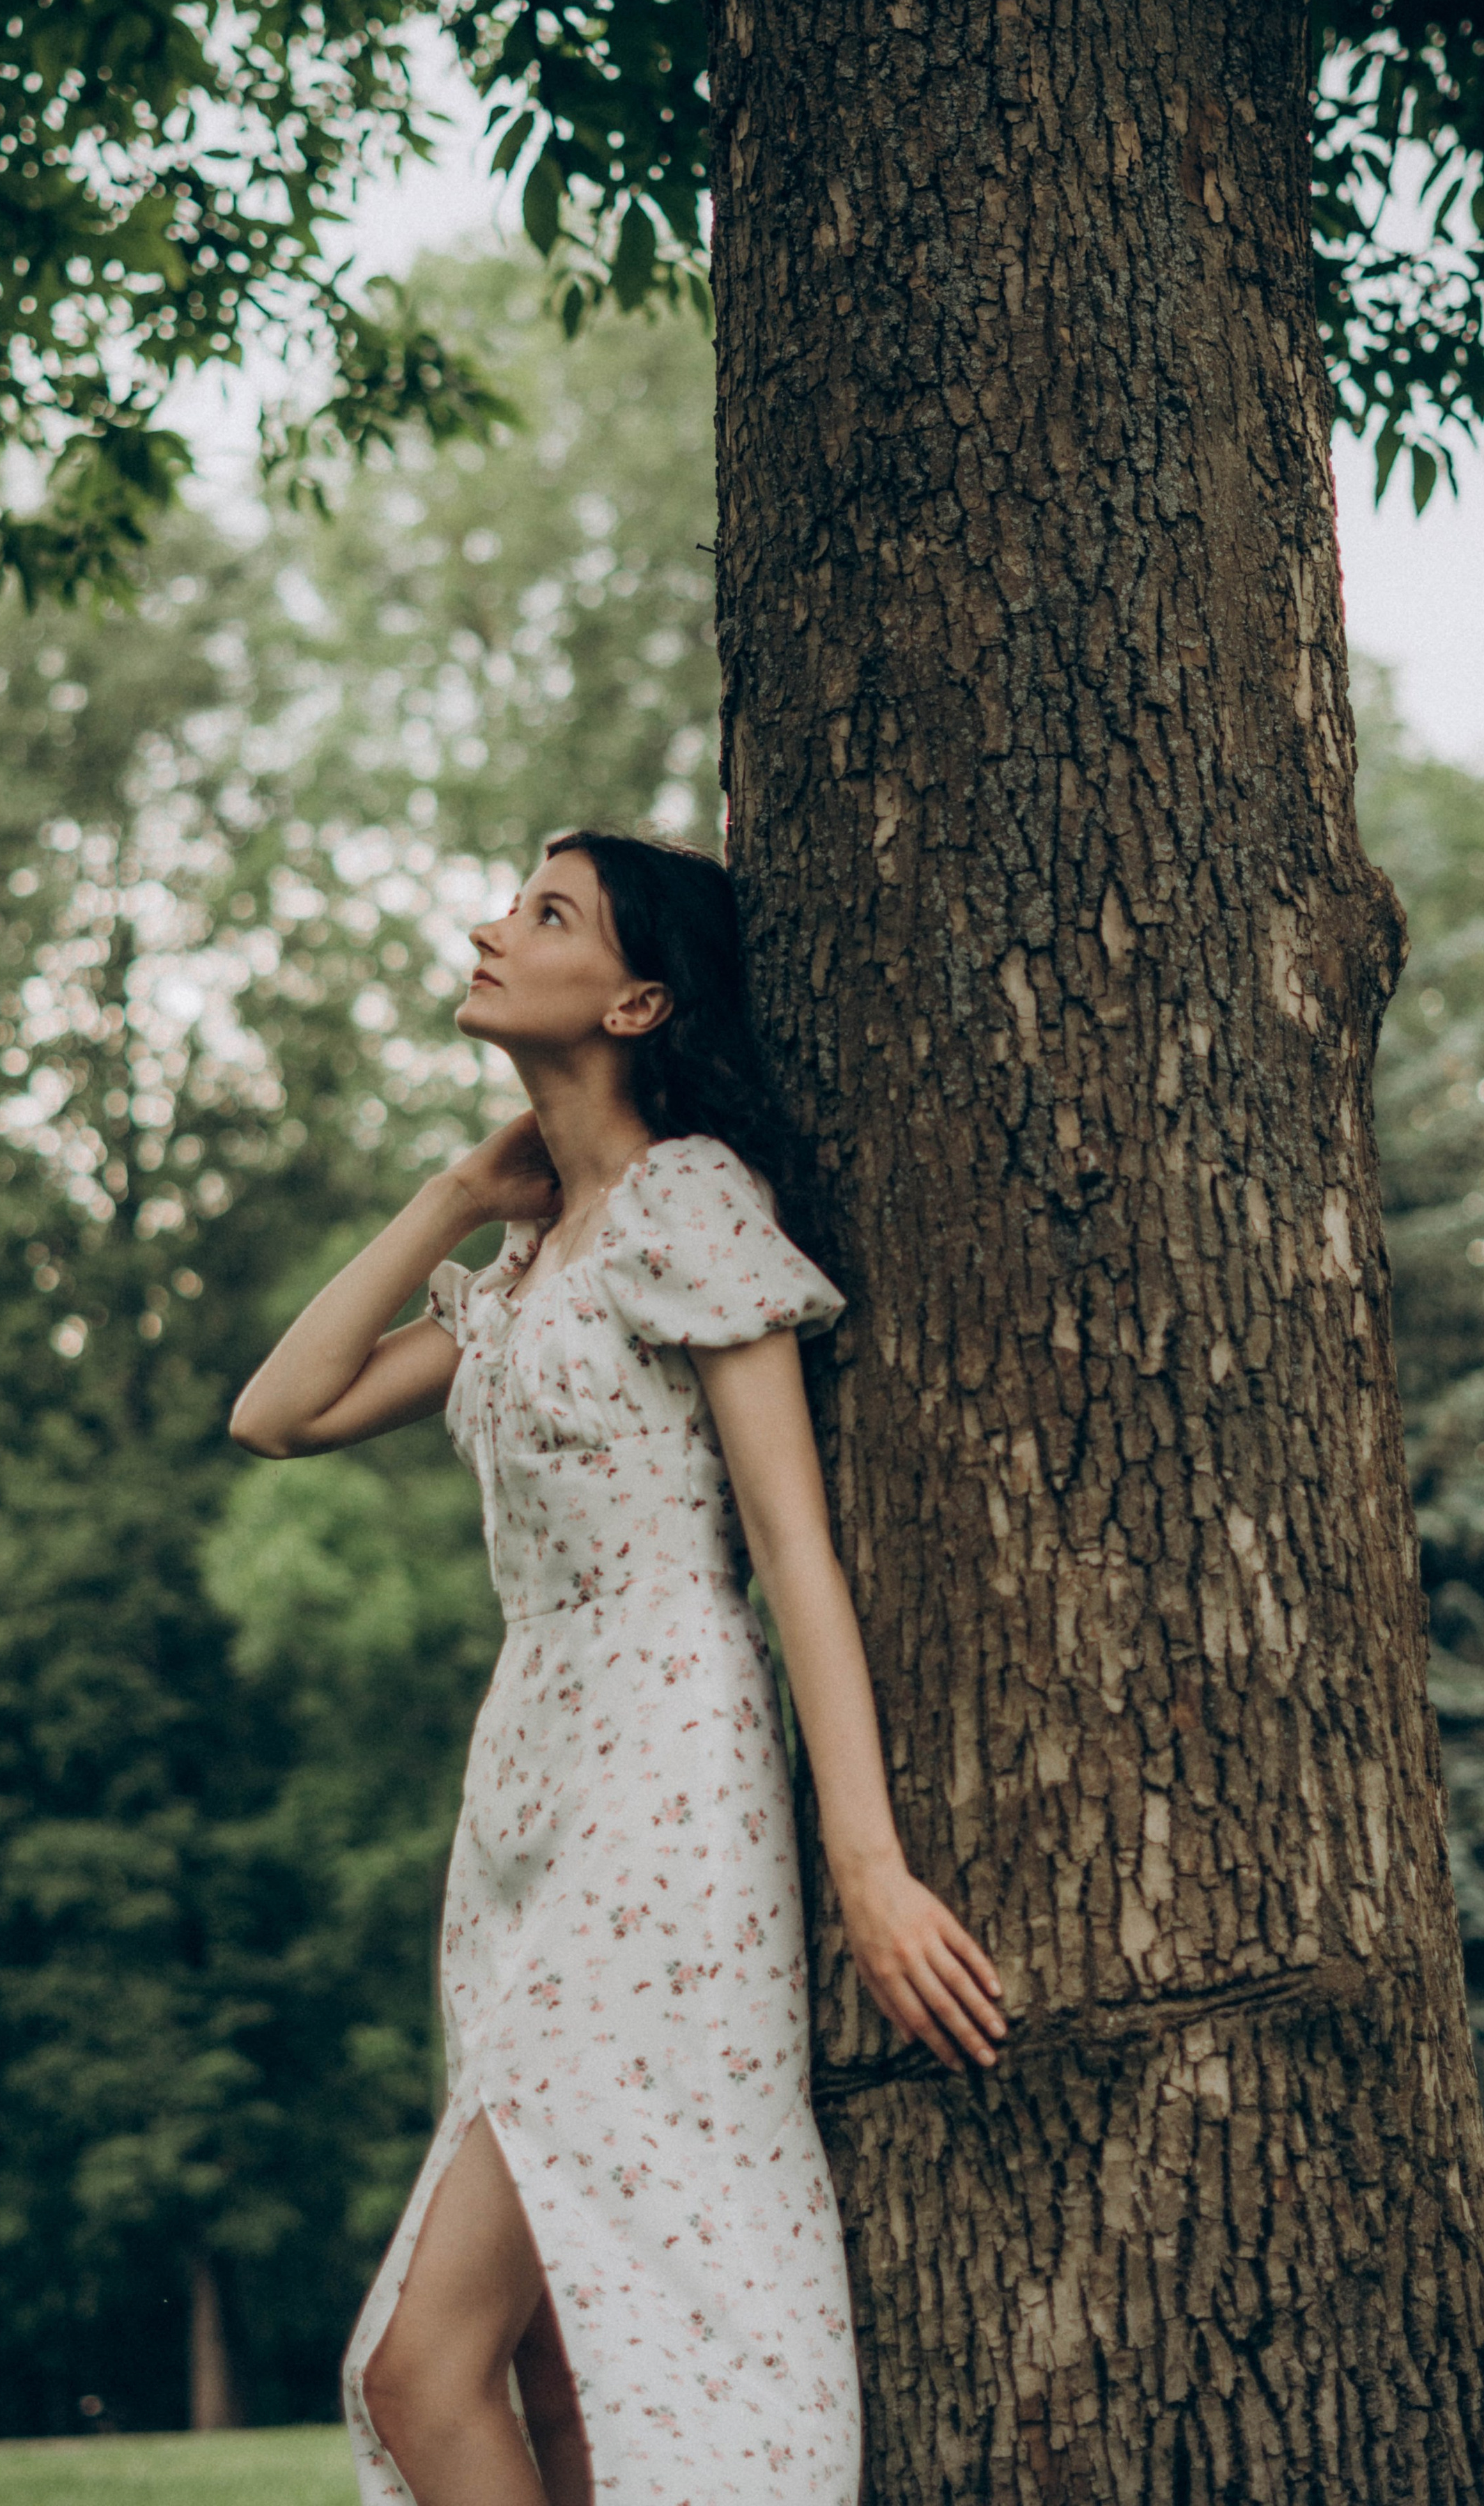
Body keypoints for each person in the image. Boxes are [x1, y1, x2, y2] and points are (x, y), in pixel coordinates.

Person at [231, 829, 1008, 2506]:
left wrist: (861, 1867)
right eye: (515, 901)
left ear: (639, 997)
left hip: (662, 1791)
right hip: (518, 1801)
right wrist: (456, 1194)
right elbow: (276, 1415)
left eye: (547, 914)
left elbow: (789, 1553)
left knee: (414, 2365)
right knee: (557, 2372)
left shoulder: (686, 1204)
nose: (491, 926)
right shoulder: (521, 1270)